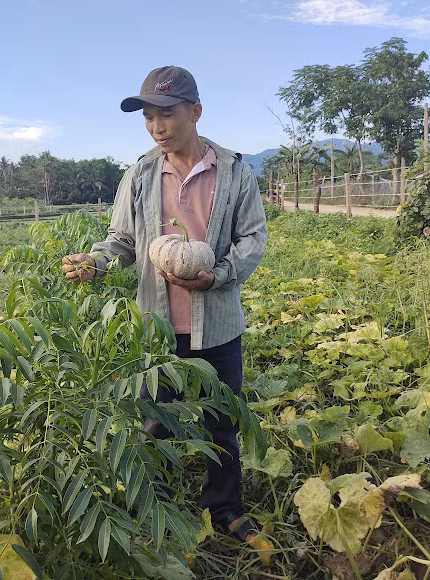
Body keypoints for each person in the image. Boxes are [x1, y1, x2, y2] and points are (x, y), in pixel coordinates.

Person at [61, 66, 269, 549]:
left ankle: (225, 509)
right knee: (153, 421)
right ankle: (147, 508)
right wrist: (96, 263)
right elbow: (121, 242)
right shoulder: (138, 174)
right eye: (149, 117)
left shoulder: (236, 172)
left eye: (166, 114)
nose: (157, 126)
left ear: (195, 112)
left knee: (223, 421)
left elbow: (252, 238)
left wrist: (216, 275)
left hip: (218, 324)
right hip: (156, 328)